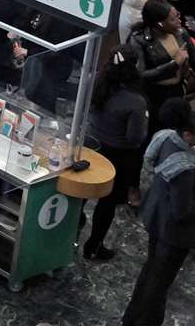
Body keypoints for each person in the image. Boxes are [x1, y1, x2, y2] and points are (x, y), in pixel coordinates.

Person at [121, 99, 195, 326]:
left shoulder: (167, 138)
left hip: (157, 216)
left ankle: (134, 318)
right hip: (173, 232)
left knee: (151, 271)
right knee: (158, 282)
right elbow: (183, 212)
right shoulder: (184, 169)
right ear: (188, 136)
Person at [82, 51, 150, 261]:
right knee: (108, 203)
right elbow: (135, 137)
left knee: (81, 194)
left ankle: (71, 231)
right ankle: (93, 247)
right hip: (117, 158)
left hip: (90, 146)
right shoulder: (136, 102)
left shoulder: (94, 81)